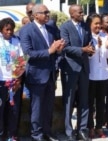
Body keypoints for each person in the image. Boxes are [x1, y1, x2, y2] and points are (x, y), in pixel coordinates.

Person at [20, 4, 65, 141]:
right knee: (37, 108)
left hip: (51, 74)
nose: (47, 14)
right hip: (36, 76)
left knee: (48, 107)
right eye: (44, 12)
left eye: (48, 12)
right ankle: (36, 134)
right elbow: (29, 53)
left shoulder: (51, 28)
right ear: (35, 15)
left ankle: (47, 132)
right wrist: (49, 51)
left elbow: (58, 47)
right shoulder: (26, 30)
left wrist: (59, 50)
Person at [59, 4, 94, 141]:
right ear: (71, 14)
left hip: (84, 68)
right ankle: (69, 132)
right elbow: (65, 47)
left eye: (82, 12)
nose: (82, 14)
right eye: (79, 12)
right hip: (70, 69)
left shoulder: (85, 26)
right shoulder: (65, 27)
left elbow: (89, 42)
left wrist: (91, 49)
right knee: (69, 101)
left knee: (84, 101)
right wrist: (83, 50)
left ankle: (82, 130)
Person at [86, 13, 108, 139]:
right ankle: (90, 128)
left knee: (101, 103)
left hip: (104, 76)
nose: (98, 26)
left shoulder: (105, 36)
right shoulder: (87, 37)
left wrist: (107, 46)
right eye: (95, 23)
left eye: (99, 23)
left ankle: (99, 127)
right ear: (90, 25)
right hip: (91, 76)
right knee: (90, 104)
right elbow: (89, 57)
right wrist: (97, 47)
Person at [0, 18, 24, 141]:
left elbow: (21, 61)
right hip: (1, 82)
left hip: (14, 82)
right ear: (1, 29)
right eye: (7, 29)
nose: (9, 32)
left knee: (13, 110)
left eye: (11, 29)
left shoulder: (16, 41)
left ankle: (12, 135)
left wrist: (18, 80)